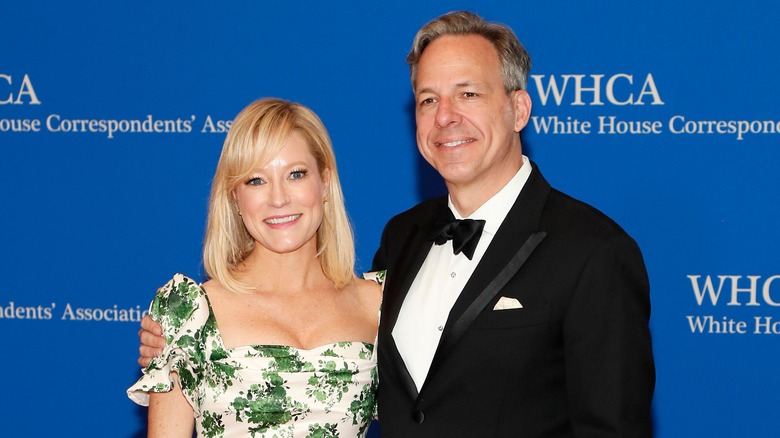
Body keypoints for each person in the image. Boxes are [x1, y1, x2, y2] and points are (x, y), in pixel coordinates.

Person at [140, 10, 655, 437]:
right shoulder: (402, 240)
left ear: (518, 108)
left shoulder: (593, 251)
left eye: (468, 94)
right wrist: (179, 342)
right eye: (429, 99)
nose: (445, 116)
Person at [128, 98, 382, 437]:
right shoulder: (190, 312)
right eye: (256, 180)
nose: (278, 198)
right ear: (234, 196)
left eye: (295, 174)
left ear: (324, 181)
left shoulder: (380, 303)